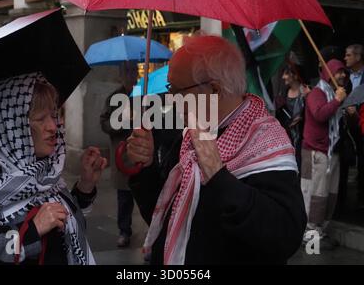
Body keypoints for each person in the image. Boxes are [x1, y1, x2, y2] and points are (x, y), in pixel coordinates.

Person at [125, 35, 306, 265]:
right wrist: (147, 167)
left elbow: (285, 236)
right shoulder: (189, 134)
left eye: (176, 89)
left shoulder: (265, 142)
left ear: (215, 90)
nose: (171, 99)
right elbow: (164, 218)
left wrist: (219, 177)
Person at [0, 72, 107, 265]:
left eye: (54, 115)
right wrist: (32, 231)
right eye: (40, 118)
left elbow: (65, 224)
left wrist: (86, 185)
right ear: (12, 125)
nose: (53, 126)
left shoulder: (43, 171)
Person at [300, 59, 347, 249]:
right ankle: (310, 239)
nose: (343, 75)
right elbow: (319, 114)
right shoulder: (317, 93)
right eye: (339, 72)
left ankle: (320, 231)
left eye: (344, 72)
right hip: (316, 153)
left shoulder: (337, 93)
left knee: (329, 194)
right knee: (315, 195)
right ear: (329, 74)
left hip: (331, 152)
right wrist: (337, 101)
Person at [100, 62, 138, 248]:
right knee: (124, 197)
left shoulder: (144, 94)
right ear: (122, 76)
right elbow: (105, 123)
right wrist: (122, 120)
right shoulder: (114, 97)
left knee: (147, 194)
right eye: (129, 73)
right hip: (123, 155)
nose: (133, 76)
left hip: (142, 153)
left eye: (135, 72)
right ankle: (124, 230)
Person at [276, 54, 310, 173]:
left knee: (304, 173)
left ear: (295, 75)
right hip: (287, 141)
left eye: (286, 73)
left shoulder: (306, 93)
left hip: (304, 140)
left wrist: (308, 99)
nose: (283, 77)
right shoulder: (282, 96)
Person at [344, 44, 364, 208]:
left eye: (349, 55)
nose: (346, 58)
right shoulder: (344, 77)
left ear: (358, 57)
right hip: (346, 122)